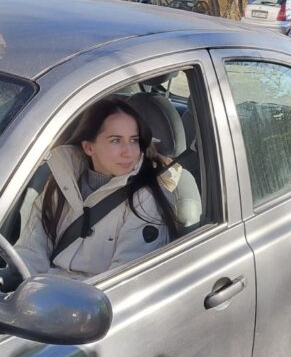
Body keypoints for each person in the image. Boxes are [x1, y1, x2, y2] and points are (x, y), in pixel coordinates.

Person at [10, 97, 181, 281]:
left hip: (93, 296)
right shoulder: (61, 182)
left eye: (134, 140)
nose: (129, 152)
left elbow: (123, 281)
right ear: (88, 147)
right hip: (38, 292)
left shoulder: (146, 198)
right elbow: (30, 252)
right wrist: (25, 288)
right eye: (116, 140)